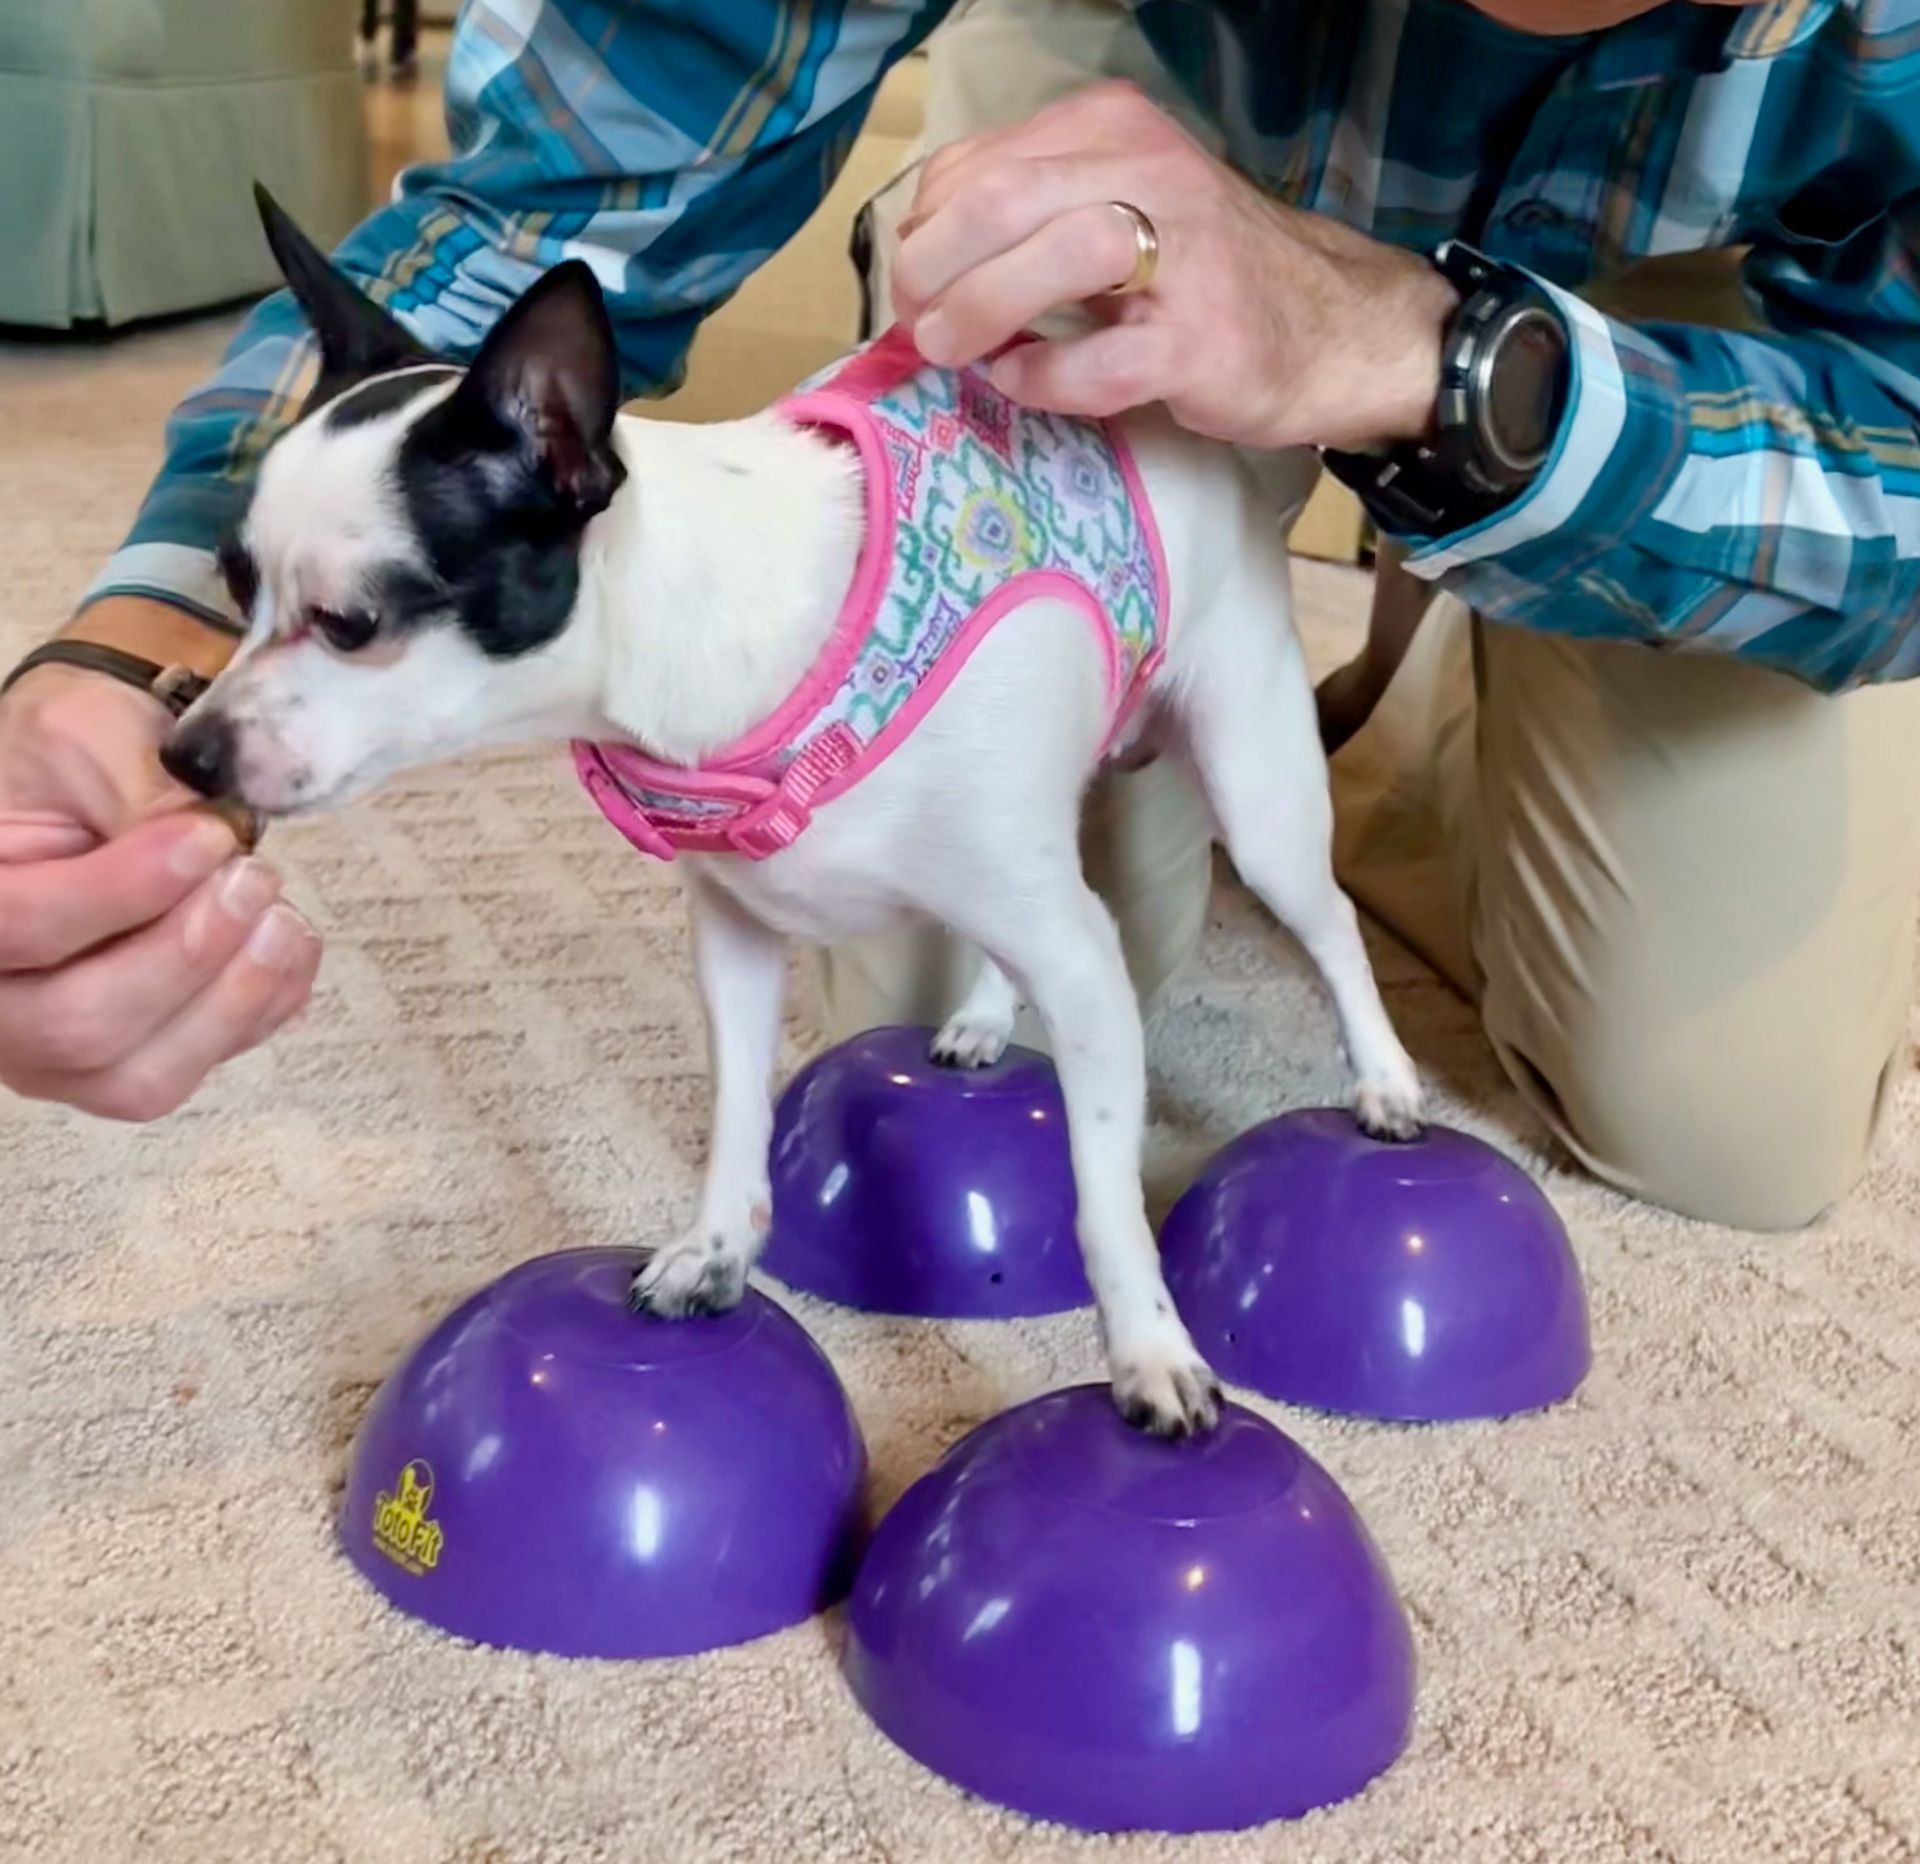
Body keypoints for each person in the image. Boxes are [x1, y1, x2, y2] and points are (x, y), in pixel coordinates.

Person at [4, 0, 1916, 1229]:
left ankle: (1430, 680)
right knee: (923, 1046)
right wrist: (136, 642)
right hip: (1114, 148)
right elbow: (566, 190)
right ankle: (1353, 715)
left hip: (1707, 332)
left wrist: (1445, 364)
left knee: (1716, 1134)